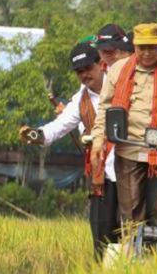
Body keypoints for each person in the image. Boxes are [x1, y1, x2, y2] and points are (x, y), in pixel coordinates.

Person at [18, 42, 119, 259]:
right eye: (79, 72)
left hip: (129, 171)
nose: (84, 75)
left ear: (101, 64)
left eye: (87, 69)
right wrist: (36, 135)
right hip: (101, 176)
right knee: (101, 237)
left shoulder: (122, 83)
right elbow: (58, 127)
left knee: (131, 233)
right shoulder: (79, 101)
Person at [90, 23, 157, 226]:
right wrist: (98, 142)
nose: (147, 53)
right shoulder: (118, 70)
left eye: (152, 47)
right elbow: (105, 109)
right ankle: (133, 256)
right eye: (142, 47)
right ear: (134, 46)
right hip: (128, 149)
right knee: (132, 214)